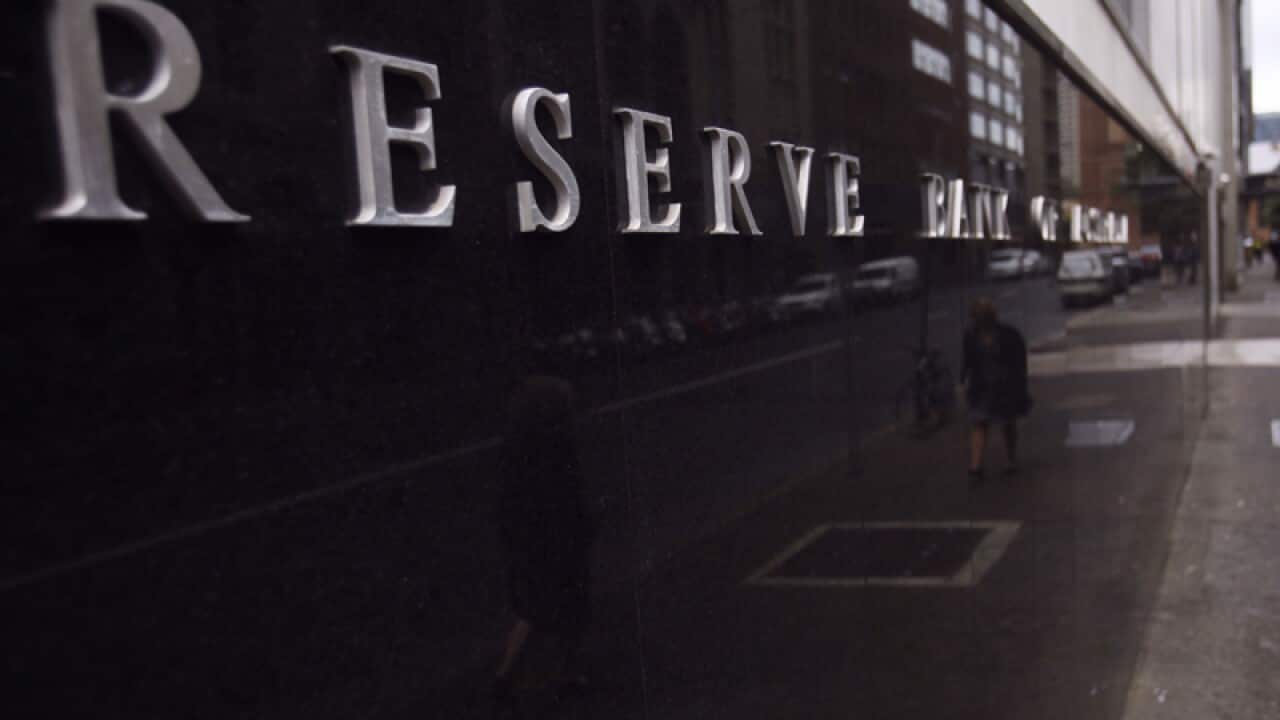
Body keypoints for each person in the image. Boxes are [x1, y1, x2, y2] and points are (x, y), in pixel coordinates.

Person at [494, 376, 594, 713]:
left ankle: (514, 675)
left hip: (536, 541)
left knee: (535, 611)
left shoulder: (520, 447)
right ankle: (542, 675)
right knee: (563, 610)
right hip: (557, 541)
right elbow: (568, 496)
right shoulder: (557, 447)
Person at [961, 298, 1030, 484]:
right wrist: (964, 380)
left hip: (1003, 387)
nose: (977, 321)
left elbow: (1019, 363)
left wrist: (1020, 386)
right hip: (981, 387)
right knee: (980, 424)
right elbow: (968, 362)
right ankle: (976, 467)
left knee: (1006, 424)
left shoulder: (1007, 334)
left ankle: (1009, 460)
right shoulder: (971, 336)